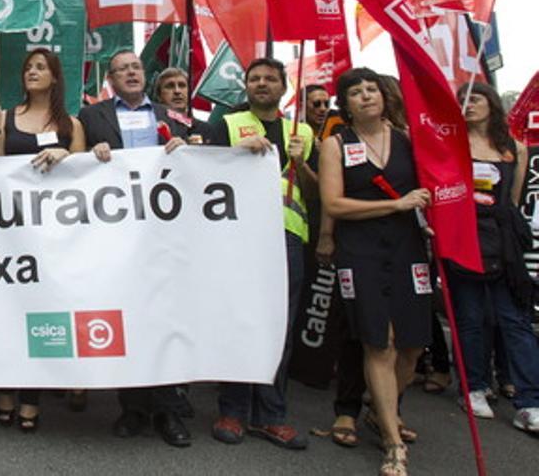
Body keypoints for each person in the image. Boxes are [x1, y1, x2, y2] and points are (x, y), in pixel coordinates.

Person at [318, 68, 432, 475]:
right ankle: (392, 440)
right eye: (355, 92)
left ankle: (379, 409)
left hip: (408, 250)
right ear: (345, 104)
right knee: (378, 343)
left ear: (384, 96)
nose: (366, 96)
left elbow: (433, 190)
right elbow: (334, 204)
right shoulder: (335, 145)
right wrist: (396, 205)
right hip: (360, 250)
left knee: (412, 346)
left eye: (371, 89)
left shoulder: (408, 141)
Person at [81, 51, 193, 448]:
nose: (131, 72)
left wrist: (190, 146)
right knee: (127, 317)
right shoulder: (92, 117)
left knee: (165, 318)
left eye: (136, 67)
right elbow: (76, 166)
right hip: (117, 233)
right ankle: (133, 408)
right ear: (110, 79)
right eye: (122, 68)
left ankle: (169, 411)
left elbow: (204, 152)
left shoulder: (173, 115)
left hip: (164, 231)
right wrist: (90, 157)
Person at [209, 57, 315, 450]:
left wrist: (302, 162)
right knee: (239, 321)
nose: (262, 83)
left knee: (279, 329)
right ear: (246, 86)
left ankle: (271, 415)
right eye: (255, 78)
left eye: (271, 78)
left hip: (287, 236)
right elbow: (205, 172)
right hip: (238, 238)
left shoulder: (301, 130)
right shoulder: (228, 125)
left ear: (284, 86)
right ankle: (232, 410)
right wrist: (237, 153)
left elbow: (316, 189)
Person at [0, 48, 86, 433]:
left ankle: (31, 396)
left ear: (55, 77)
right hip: (9, 232)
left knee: (42, 316)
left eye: (40, 67)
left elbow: (83, 176)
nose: (32, 72)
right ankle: (5, 389)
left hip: (52, 236)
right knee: (7, 312)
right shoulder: (5, 117)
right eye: (27, 67)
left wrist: (66, 153)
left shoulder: (70, 124)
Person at [449, 82, 539, 434]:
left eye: (476, 98)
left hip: (503, 245)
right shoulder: (452, 145)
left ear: (492, 105)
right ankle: (473, 386)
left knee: (514, 321)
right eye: (463, 100)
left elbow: (512, 201)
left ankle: (530, 400)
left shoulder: (513, 149)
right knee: (470, 317)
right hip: (465, 240)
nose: (469, 105)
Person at [153, 66, 213, 143]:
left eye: (182, 85)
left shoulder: (205, 129)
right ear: (159, 95)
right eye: (170, 86)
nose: (177, 91)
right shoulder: (153, 126)